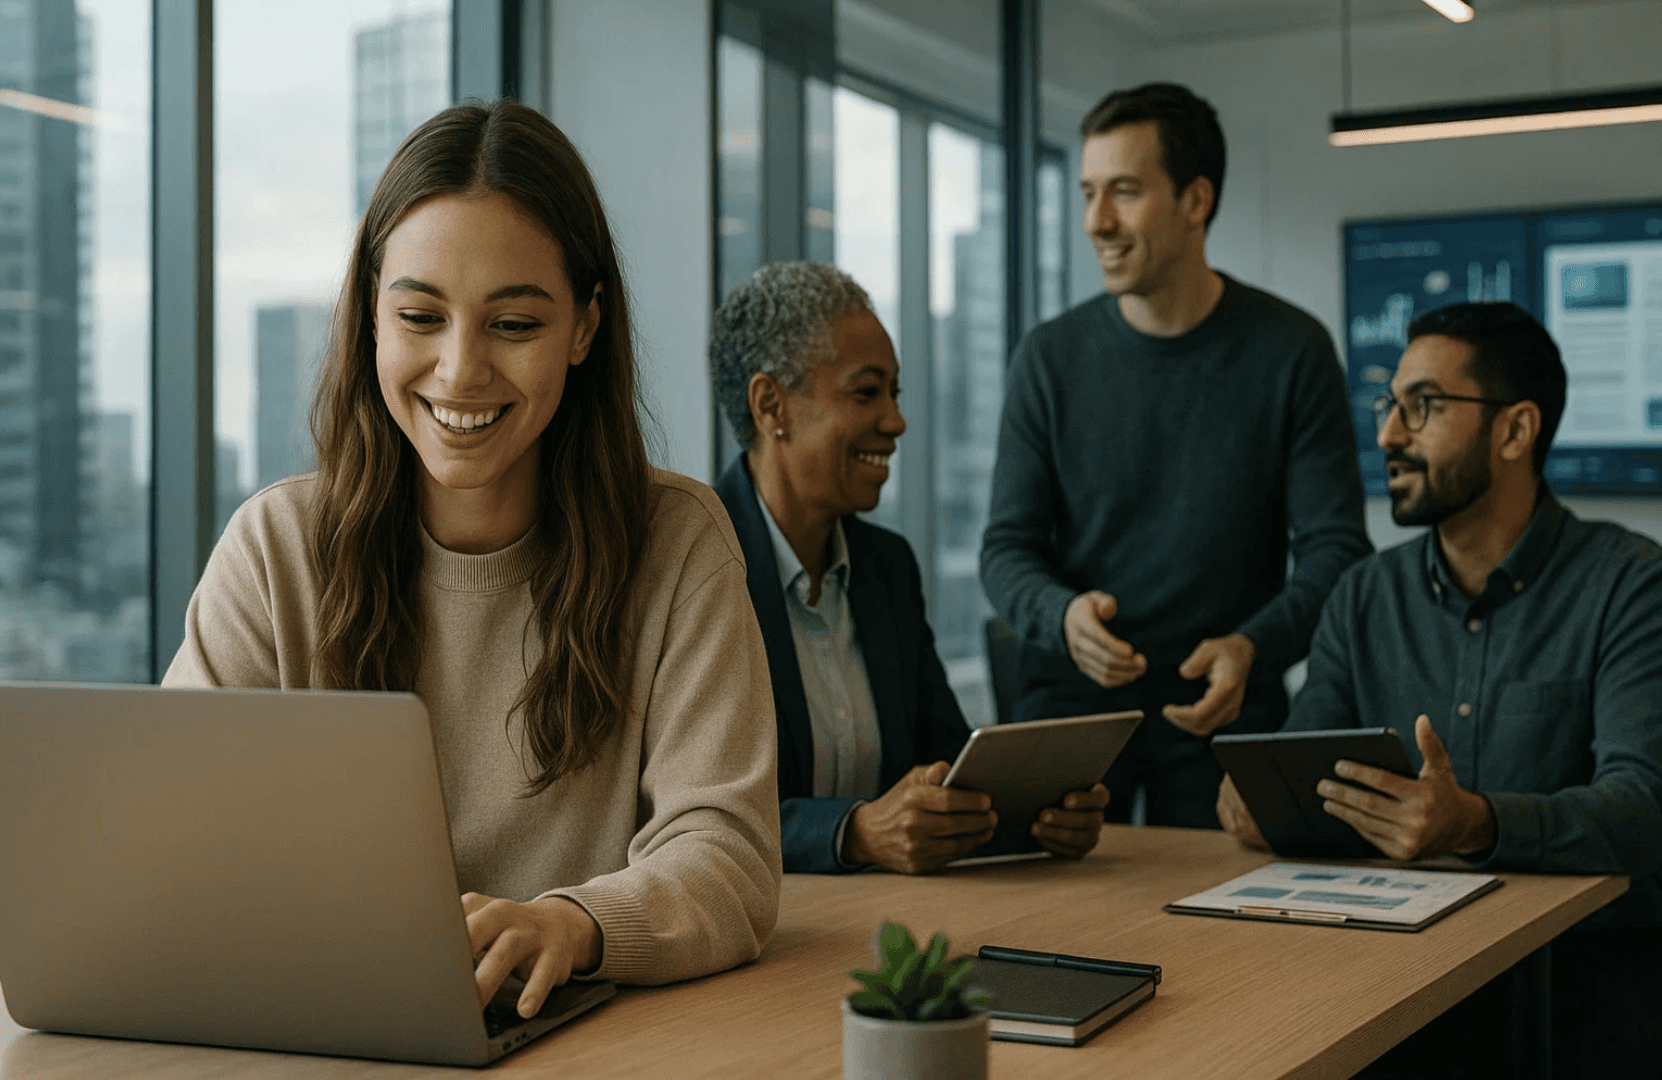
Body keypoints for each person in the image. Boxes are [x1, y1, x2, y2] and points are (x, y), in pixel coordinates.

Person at [163, 102, 782, 1020]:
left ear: (583, 329)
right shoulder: (274, 551)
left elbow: (726, 853)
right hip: (324, 1032)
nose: (459, 371)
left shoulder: (679, 544)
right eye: (420, 315)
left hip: (585, 1040)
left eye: (514, 325)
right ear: (371, 318)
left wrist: (572, 924)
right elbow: (164, 838)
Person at [1217, 302, 1662, 1075]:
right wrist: (1259, 801)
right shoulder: (1361, 596)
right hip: (1385, 995)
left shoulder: (1630, 584)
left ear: (1515, 431)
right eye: (1391, 406)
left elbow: (1644, 810)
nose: (1389, 434)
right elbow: (1299, 766)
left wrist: (1475, 823)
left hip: (1575, 1003)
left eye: (1422, 407)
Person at [979, 82, 1371, 829]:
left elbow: (1336, 549)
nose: (1097, 222)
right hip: (1073, 710)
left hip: (1224, 703)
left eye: (1123, 192)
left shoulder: (1291, 351)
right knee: (1043, 923)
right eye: (1090, 192)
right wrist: (1062, 617)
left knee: (1233, 929)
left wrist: (1254, 645)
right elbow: (1005, 549)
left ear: (1196, 201)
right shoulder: (1049, 358)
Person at [709, 261, 1109, 874]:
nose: (895, 422)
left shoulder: (887, 569)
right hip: (758, 941)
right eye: (866, 392)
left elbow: (946, 764)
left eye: (894, 393)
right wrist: (852, 832)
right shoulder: (693, 569)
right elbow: (679, 815)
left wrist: (1036, 814)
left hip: (886, 930)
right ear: (771, 406)